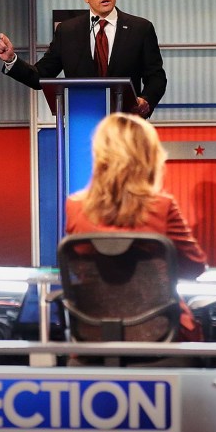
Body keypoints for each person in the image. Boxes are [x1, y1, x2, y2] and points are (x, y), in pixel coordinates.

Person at [65, 112, 207, 341]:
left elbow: (79, 270)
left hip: (93, 333)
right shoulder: (162, 205)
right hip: (159, 333)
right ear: (149, 157)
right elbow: (194, 267)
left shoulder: (74, 206)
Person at [0, 0, 167, 117]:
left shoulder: (140, 28)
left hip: (126, 122)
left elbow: (156, 76)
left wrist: (146, 100)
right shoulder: (68, 31)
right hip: (82, 119)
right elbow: (42, 75)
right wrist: (11, 60)